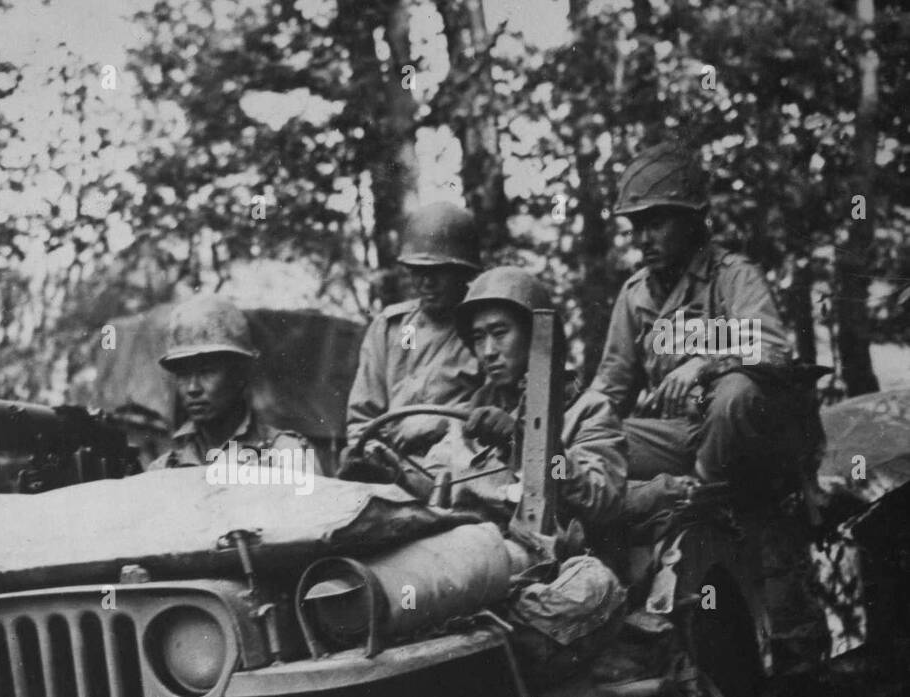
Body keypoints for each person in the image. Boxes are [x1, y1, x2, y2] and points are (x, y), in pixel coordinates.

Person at [589, 142, 796, 497]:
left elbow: (775, 352)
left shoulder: (734, 276)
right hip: (675, 437)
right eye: (637, 227)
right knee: (589, 435)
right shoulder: (636, 294)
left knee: (736, 391)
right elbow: (611, 388)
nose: (643, 239)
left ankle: (701, 497)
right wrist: (569, 420)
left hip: (739, 441)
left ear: (690, 222)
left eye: (655, 224)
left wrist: (705, 363)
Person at [409, 267, 627, 543]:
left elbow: (602, 499)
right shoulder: (468, 417)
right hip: (462, 547)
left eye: (499, 333)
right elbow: (434, 482)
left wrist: (527, 444)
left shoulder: (587, 411)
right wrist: (394, 475)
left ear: (535, 337)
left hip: (543, 557)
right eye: (478, 338)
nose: (488, 351)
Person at [341, 203, 483, 467]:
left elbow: (504, 413)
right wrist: (373, 458)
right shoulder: (390, 328)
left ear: (463, 272)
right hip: (389, 470)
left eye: (439, 272)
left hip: (456, 473)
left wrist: (441, 422)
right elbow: (363, 418)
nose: (426, 283)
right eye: (418, 271)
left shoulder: (483, 333)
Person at [148, 295, 326, 475]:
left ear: (240, 374)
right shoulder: (165, 468)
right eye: (183, 375)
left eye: (207, 371)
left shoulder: (286, 457)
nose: (193, 388)